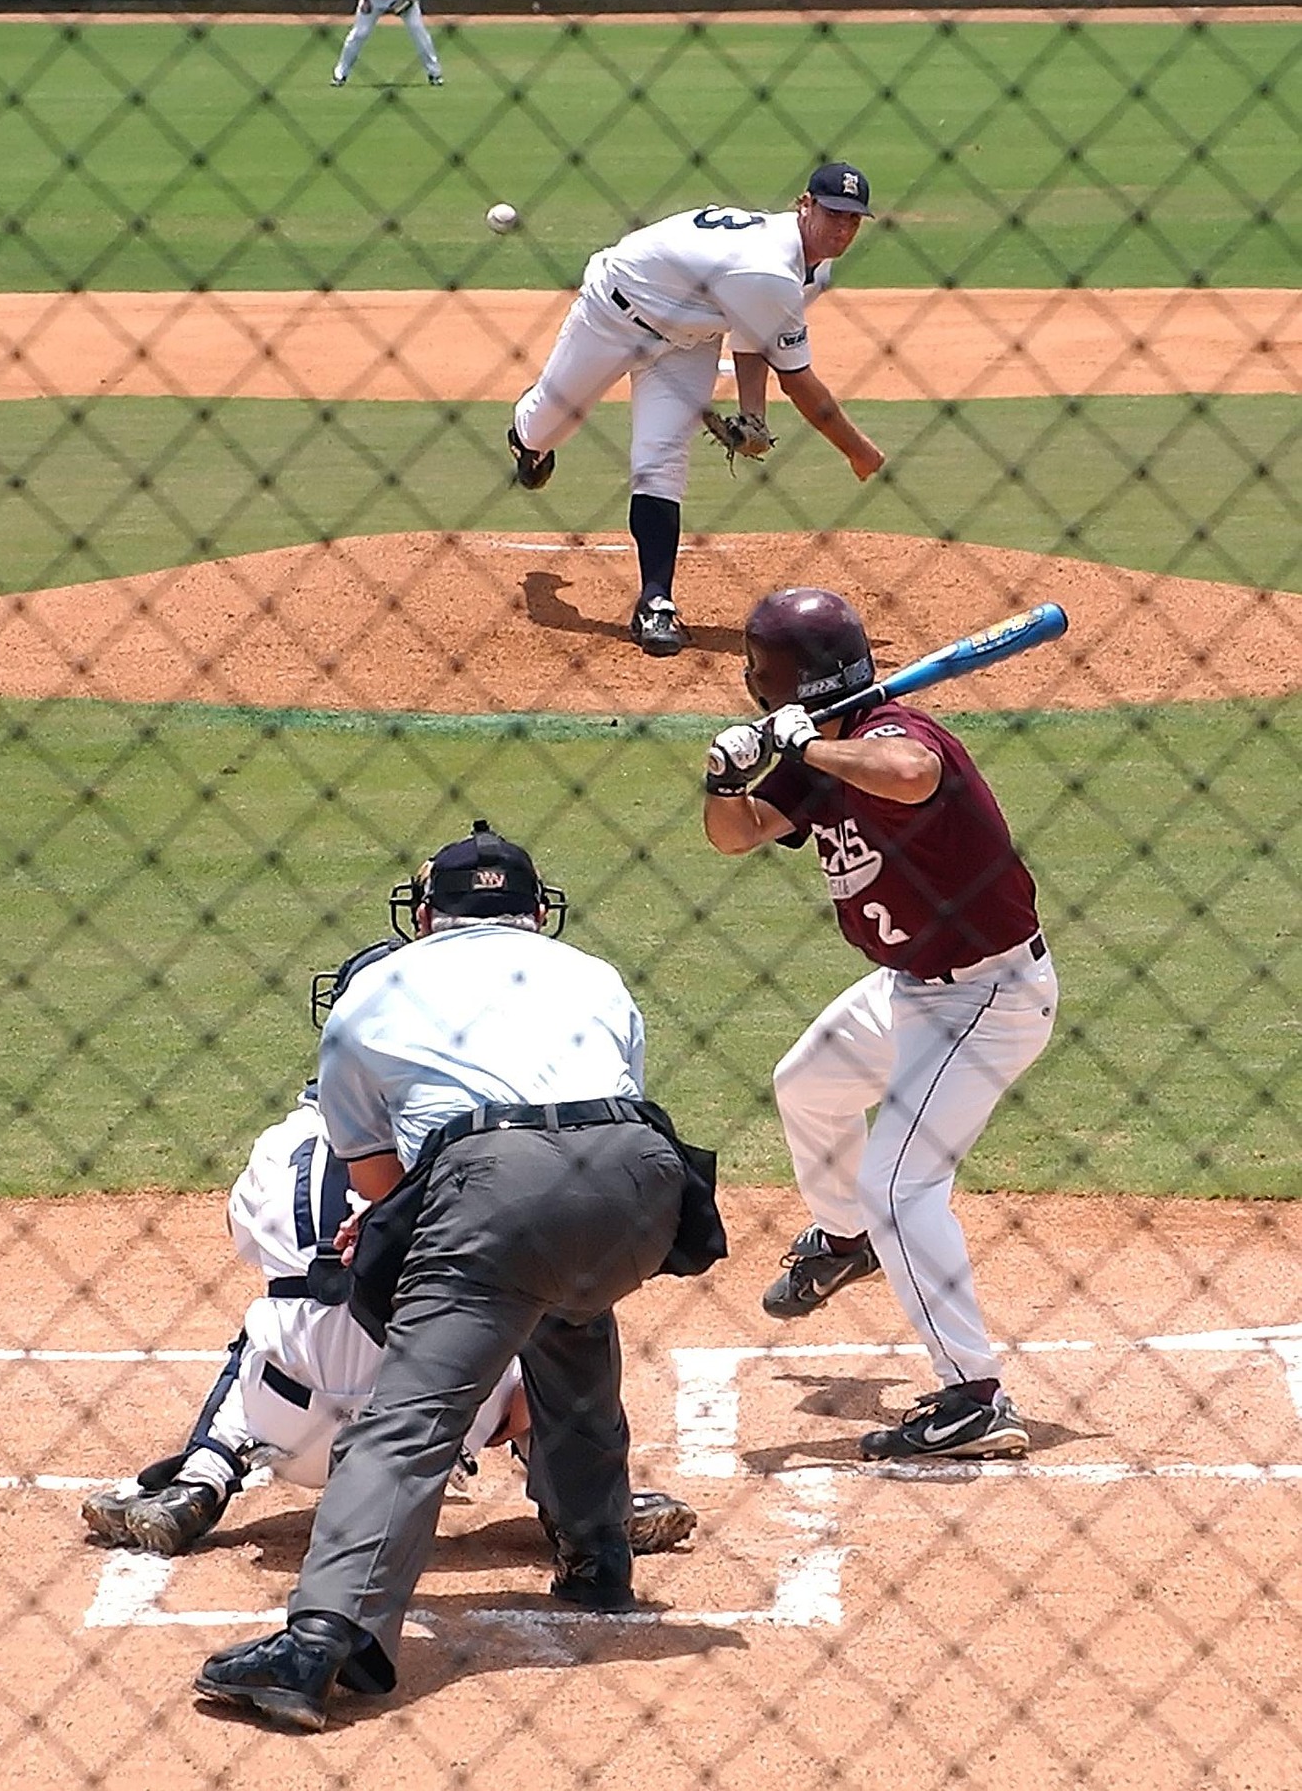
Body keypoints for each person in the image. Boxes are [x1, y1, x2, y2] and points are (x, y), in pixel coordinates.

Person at [195, 821, 723, 1731]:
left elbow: (374, 1178)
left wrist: (453, 1259)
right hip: (645, 1184)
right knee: (572, 1311)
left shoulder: (375, 989)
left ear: (428, 913)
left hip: (497, 1188)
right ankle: (596, 1557)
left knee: (407, 1423)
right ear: (535, 912)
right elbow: (605, 1106)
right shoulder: (591, 972)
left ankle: (318, 1639)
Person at [82, 940, 694, 1561]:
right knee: (531, 1311)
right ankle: (584, 1513)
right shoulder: (449, 1138)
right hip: (440, 1413)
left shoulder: (279, 1142)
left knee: (266, 1325)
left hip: (289, 1416)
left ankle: (198, 1481)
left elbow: (246, 1235)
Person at [702, 588, 1058, 1461]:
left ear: (787, 678)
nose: (748, 682)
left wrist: (808, 743)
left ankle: (973, 1395)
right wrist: (724, 777)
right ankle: (844, 1239)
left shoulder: (900, 735)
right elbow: (734, 835)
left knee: (900, 1183)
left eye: (757, 671)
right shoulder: (825, 751)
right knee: (807, 1085)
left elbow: (909, 776)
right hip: (909, 991)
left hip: (987, 996)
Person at [507, 163, 886, 658]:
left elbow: (755, 339)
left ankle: (655, 602)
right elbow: (797, 382)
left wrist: (754, 416)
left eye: (853, 219)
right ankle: (524, 438)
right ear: (805, 204)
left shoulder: (809, 270)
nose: (842, 228)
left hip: (690, 341)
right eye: (833, 213)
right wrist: (858, 451)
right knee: (549, 425)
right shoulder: (768, 269)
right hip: (615, 312)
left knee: (661, 459)